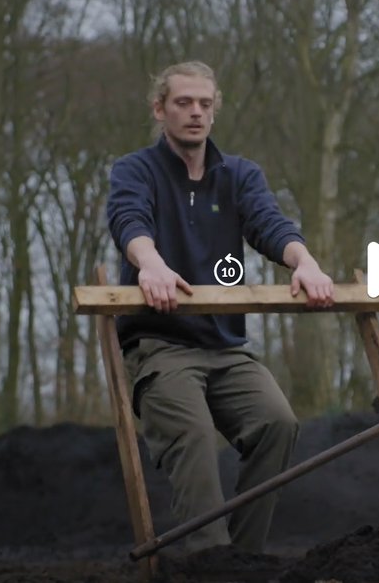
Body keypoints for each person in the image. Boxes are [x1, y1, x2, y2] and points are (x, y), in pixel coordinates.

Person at [106, 61, 335, 555]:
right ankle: (207, 560)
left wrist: (306, 264)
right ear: (159, 108)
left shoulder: (239, 175)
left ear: (215, 110)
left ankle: (242, 559)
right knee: (190, 434)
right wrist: (151, 265)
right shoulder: (135, 170)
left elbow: (269, 224)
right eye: (183, 102)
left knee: (277, 423)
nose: (195, 113)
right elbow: (129, 218)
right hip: (161, 345)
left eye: (205, 104)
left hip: (226, 348)